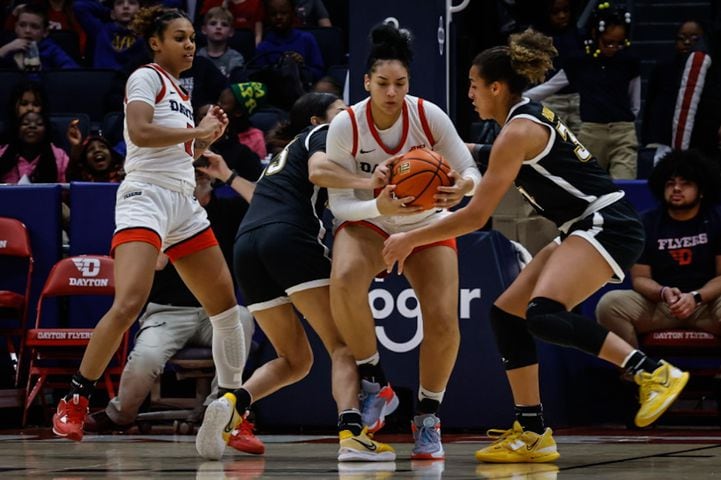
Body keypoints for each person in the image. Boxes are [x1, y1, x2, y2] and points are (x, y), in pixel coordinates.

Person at [382, 28, 690, 463]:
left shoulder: (517, 132)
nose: (469, 93)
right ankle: (532, 431)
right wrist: (467, 152)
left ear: (495, 86)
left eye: (473, 84)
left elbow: (475, 216)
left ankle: (652, 372)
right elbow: (504, 160)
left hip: (605, 222)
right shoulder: (523, 119)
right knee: (506, 315)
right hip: (584, 223)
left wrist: (407, 238)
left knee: (543, 315)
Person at [51, 6, 249, 449]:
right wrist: (193, 132)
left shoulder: (179, 89)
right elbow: (139, 133)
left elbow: (179, 147)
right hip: (146, 196)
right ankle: (75, 399)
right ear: (156, 42)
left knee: (226, 310)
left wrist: (205, 139)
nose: (191, 44)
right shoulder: (146, 76)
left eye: (193, 38)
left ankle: (233, 412)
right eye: (180, 37)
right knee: (128, 304)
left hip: (183, 201)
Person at [196, 91, 396, 462]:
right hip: (289, 238)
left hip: (248, 246)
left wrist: (228, 175)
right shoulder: (320, 136)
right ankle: (353, 435)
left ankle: (232, 402)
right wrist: (373, 185)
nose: (349, 117)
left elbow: (260, 197)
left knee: (296, 360)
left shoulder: (281, 157)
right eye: (340, 112)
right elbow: (319, 171)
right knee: (345, 345)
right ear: (317, 120)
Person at [324, 23, 482, 460]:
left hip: (427, 221)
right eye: (383, 83)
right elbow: (339, 205)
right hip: (369, 220)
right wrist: (381, 210)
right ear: (366, 83)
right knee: (344, 281)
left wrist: (461, 188)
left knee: (444, 320)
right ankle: (375, 382)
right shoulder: (346, 125)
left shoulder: (428, 116)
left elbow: (471, 171)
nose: (392, 92)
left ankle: (428, 417)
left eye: (401, 83)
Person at [596, 149, 721, 347]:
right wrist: (664, 293)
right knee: (609, 305)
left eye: (685, 183)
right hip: (661, 306)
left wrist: (696, 297)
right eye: (671, 183)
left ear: (701, 190)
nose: (677, 189)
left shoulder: (716, 220)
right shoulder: (646, 223)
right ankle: (639, 372)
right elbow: (640, 279)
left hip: (707, 305)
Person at [524, 2, 640, 179]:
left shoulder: (628, 60)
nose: (613, 48)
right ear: (595, 34)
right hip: (592, 131)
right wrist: (517, 97)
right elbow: (549, 87)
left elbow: (635, 101)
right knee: (589, 184)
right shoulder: (579, 62)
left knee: (625, 182)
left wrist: (626, 121)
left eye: (619, 43)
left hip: (623, 131)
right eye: (608, 42)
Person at [642, 20, 721, 158]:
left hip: (704, 141)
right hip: (667, 140)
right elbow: (651, 105)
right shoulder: (663, 70)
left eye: (694, 38)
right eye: (681, 38)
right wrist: (649, 137)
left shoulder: (712, 72)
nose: (687, 42)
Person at [255, 0, 324, 83]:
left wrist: (301, 67)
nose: (278, 17)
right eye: (273, 14)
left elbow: (319, 73)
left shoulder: (307, 39)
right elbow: (260, 80)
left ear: (293, 13)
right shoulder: (263, 48)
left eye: (284, 13)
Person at [0, 3, 79, 70]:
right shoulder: (9, 47)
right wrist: (4, 50)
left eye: (34, 27)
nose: (27, 31)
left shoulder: (51, 49)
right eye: (22, 25)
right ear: (16, 28)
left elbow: (72, 72)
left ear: (45, 32)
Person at [0, 110, 69, 183]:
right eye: (25, 123)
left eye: (39, 124)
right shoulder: (2, 152)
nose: (32, 126)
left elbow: (67, 188)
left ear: (46, 130)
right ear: (17, 130)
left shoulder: (60, 156)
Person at [73, 0, 146, 69]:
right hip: (106, 78)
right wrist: (108, 12)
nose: (125, 6)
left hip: (135, 79)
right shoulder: (101, 30)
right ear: (113, 12)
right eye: (119, 3)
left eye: (132, 3)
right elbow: (80, 6)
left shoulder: (146, 32)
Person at [197, 6, 245, 78]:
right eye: (213, 23)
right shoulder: (198, 56)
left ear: (231, 32)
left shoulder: (236, 58)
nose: (218, 27)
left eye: (224, 25)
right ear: (204, 30)